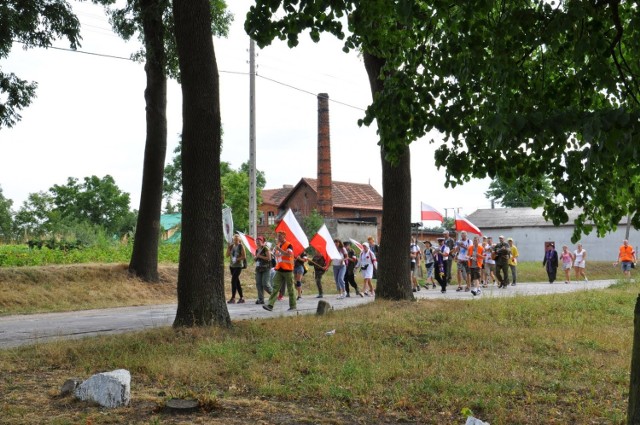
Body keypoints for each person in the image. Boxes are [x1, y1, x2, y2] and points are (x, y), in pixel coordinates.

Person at [263, 231, 296, 311]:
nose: (278, 238)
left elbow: (288, 254)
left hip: (288, 270)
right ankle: (270, 305)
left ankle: (293, 306)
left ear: (284, 236)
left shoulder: (289, 245)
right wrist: (269, 250)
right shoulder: (278, 245)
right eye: (278, 236)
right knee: (275, 287)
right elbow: (275, 255)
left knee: (290, 288)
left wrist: (279, 250)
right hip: (279, 269)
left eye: (280, 236)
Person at [226, 234, 246, 304]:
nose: (235, 241)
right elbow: (227, 255)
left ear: (239, 240)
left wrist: (237, 259)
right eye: (234, 240)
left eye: (237, 240)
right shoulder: (232, 246)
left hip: (238, 266)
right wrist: (228, 247)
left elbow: (244, 256)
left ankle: (233, 298)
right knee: (237, 282)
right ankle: (241, 298)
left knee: (233, 281)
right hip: (232, 266)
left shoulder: (241, 246)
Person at [254, 236, 273, 304]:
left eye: (259, 241)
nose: (258, 242)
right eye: (257, 241)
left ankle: (273, 295)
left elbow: (269, 258)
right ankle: (261, 299)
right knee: (258, 283)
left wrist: (260, 256)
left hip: (266, 268)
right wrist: (255, 258)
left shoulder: (265, 248)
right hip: (259, 268)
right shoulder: (257, 250)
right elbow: (256, 259)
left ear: (262, 242)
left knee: (265, 283)